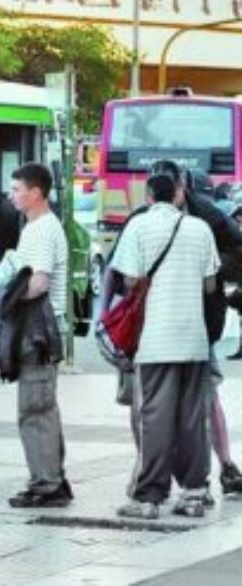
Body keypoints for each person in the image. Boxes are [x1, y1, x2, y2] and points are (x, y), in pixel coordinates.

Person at [113, 170, 220, 520]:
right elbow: (209, 286)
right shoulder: (200, 229)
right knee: (193, 418)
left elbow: (129, 280)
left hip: (155, 340)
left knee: (154, 418)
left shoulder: (138, 227)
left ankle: (149, 497)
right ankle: (194, 492)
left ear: (148, 197)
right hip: (194, 339)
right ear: (177, 194)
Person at [6, 162, 73, 509]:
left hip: (40, 331)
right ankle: (53, 479)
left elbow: (39, 282)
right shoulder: (38, 226)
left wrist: (5, 298)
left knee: (34, 409)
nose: (11, 195)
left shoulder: (41, 229)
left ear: (35, 193)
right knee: (43, 407)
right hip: (41, 330)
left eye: (16, 189)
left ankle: (46, 485)